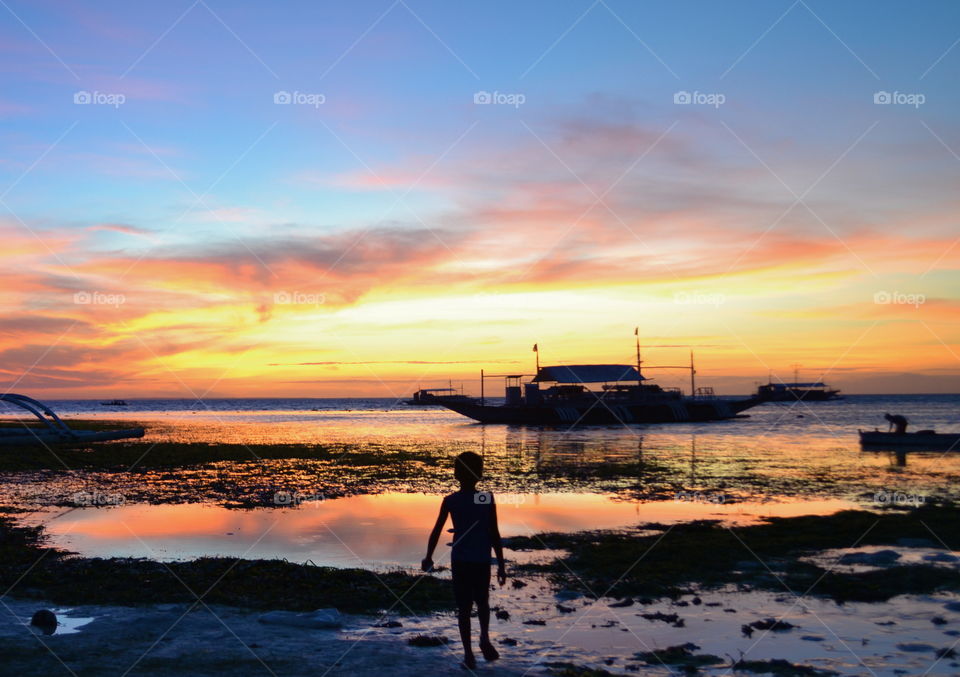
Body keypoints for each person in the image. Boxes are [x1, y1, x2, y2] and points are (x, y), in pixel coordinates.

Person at [422, 451, 507, 670]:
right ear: (479, 474)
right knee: (482, 602)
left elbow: (436, 530)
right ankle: (484, 639)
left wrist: (429, 556)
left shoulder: (452, 500)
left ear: (456, 474)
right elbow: (494, 533)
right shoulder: (484, 498)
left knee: (464, 608)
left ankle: (469, 653)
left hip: (462, 559)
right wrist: (501, 564)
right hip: (478, 559)